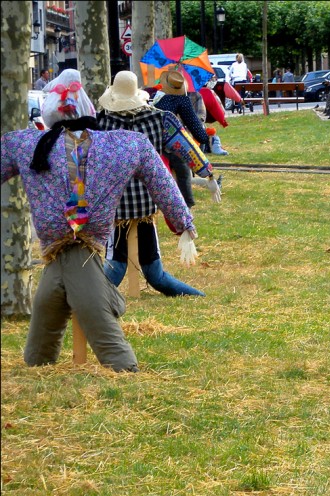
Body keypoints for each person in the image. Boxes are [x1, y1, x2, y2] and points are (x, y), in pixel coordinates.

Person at [1, 70, 196, 372]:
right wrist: (183, 222)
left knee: (87, 303)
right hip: (80, 237)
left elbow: (162, 181)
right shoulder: (125, 144)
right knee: (50, 298)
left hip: (81, 238)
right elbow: (163, 181)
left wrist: (183, 221)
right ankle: (40, 359)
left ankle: (121, 364)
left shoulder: (27, 144)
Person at [96, 70, 219, 298]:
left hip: (115, 205)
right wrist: (208, 175)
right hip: (147, 201)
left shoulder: (100, 122)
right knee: (154, 272)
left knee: (117, 266)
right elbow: (188, 148)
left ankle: (83, 300)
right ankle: (198, 296)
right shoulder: (160, 119)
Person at [153, 68, 210, 208]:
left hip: (151, 146)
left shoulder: (156, 98)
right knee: (183, 171)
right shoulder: (181, 99)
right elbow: (199, 132)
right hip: (169, 146)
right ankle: (186, 206)